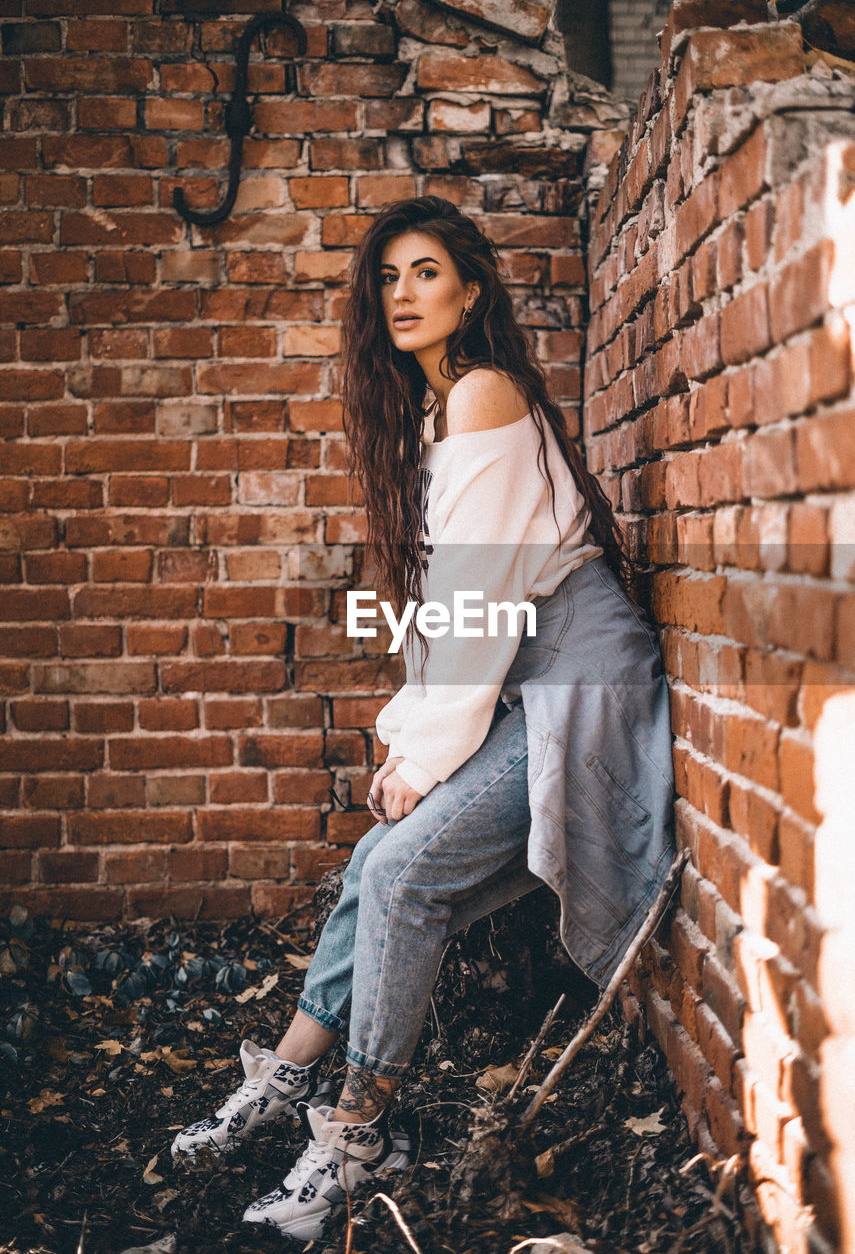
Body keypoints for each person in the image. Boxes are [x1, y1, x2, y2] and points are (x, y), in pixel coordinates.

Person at [171, 195, 676, 1242]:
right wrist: (413, 743)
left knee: (403, 871)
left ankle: (360, 1135)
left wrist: (429, 749)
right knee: (380, 864)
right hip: (522, 678)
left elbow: (484, 604)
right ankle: (289, 1077)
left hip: (578, 683)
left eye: (427, 273)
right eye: (389, 278)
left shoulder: (486, 394)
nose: (403, 294)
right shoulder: (442, 415)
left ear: (472, 290)